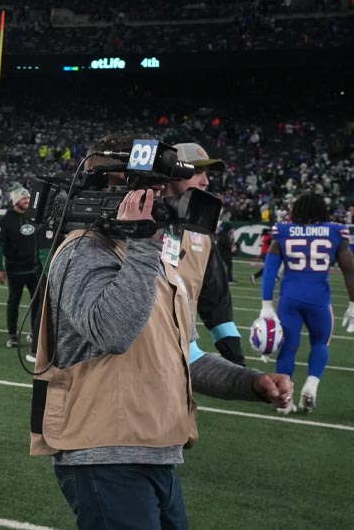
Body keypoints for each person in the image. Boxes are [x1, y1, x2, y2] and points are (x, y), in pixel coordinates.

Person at [30, 134, 294, 530]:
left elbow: (186, 356)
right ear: (114, 187)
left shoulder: (151, 256)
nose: (159, 197)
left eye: (159, 187)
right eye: (149, 187)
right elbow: (112, 332)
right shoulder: (82, 250)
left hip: (157, 449)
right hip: (104, 454)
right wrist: (145, 244)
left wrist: (252, 383)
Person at [260, 192, 354, 414]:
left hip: (289, 299)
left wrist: (266, 304)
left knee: (288, 348)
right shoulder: (335, 231)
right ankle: (311, 384)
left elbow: (270, 270)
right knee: (321, 343)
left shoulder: (283, 231)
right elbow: (349, 269)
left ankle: (284, 401)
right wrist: (352, 303)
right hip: (319, 300)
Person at [165, 142, 244, 366]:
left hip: (178, 357)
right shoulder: (134, 222)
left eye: (206, 172)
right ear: (172, 172)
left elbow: (216, 300)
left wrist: (235, 358)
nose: (206, 181)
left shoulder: (202, 233)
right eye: (196, 171)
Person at [0, 184, 42, 348]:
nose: (27, 200)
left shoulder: (33, 217)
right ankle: (12, 335)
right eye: (24, 198)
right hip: (15, 271)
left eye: (28, 197)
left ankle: (34, 333)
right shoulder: (6, 220)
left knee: (37, 303)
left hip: (34, 269)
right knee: (13, 302)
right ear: (16, 200)